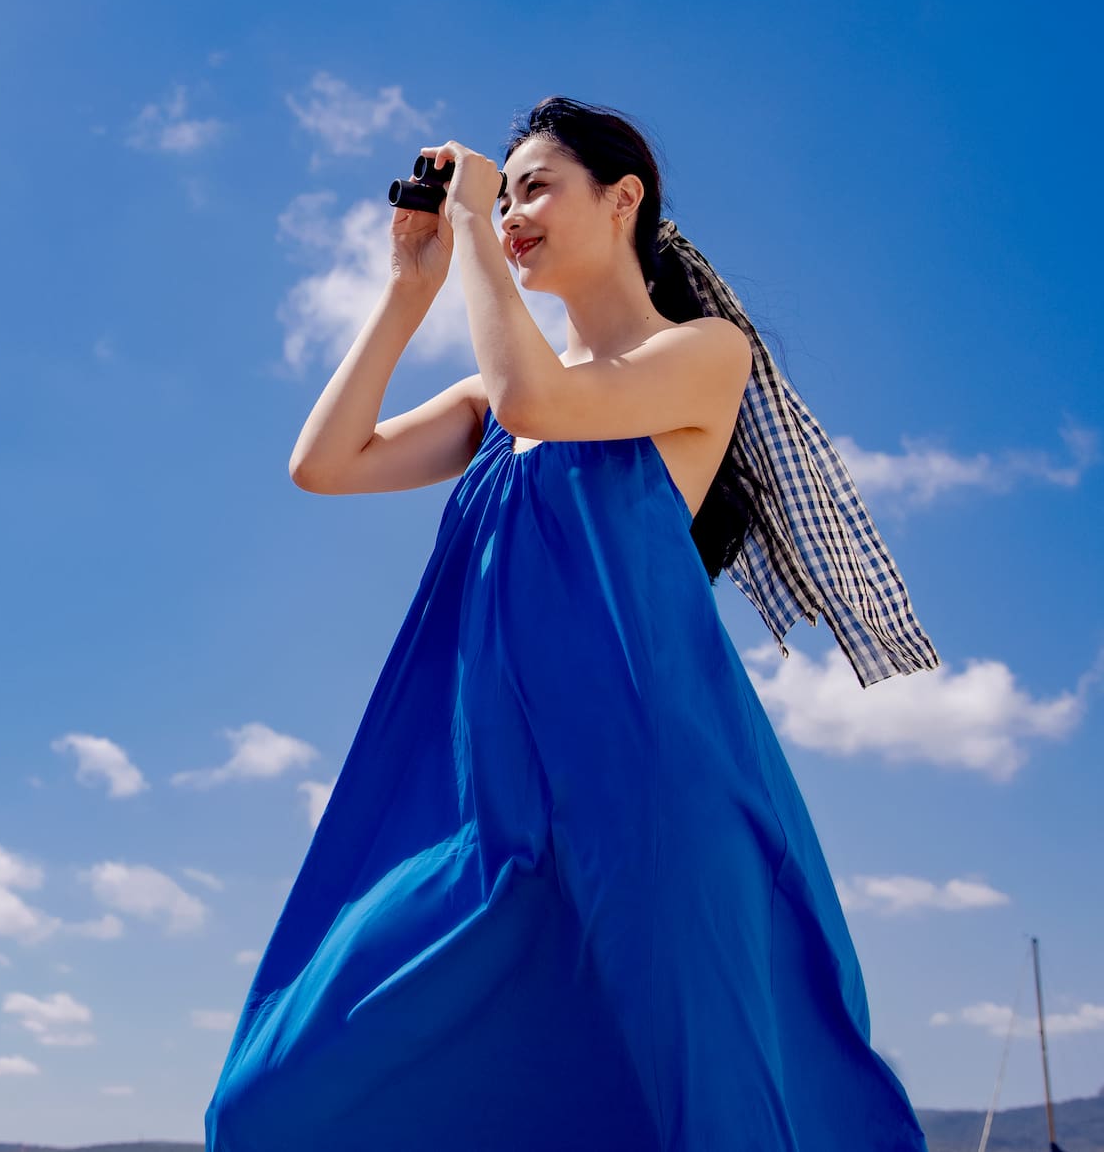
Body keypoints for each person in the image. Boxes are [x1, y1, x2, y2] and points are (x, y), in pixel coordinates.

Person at [203, 97, 935, 1151]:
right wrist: (410, 288)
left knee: (701, 1106)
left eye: (532, 187)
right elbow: (323, 462)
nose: (505, 214)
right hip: (488, 812)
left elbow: (537, 397)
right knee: (275, 1094)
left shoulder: (702, 354)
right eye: (499, 199)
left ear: (623, 197)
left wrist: (469, 239)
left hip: (646, 798)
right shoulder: (492, 402)